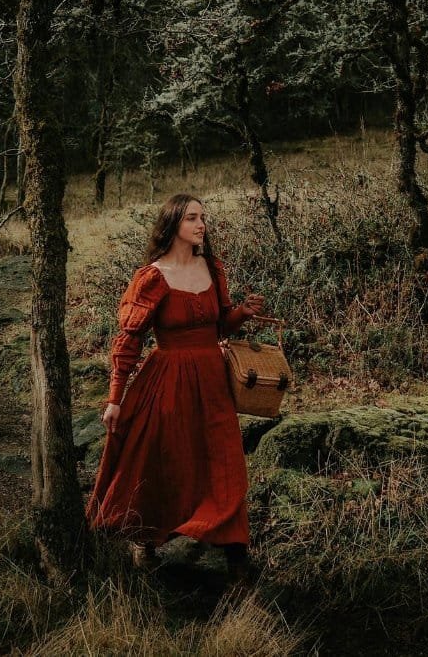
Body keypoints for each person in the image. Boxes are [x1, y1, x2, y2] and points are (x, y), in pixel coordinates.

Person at [85, 193, 265, 580]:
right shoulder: (152, 277)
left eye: (203, 218)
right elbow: (128, 342)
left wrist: (241, 313)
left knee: (224, 460)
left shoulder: (213, 268)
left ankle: (236, 555)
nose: (201, 225)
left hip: (213, 381)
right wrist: (115, 398)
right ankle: (145, 539)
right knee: (162, 458)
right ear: (172, 225)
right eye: (192, 218)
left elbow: (219, 326)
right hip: (167, 379)